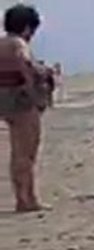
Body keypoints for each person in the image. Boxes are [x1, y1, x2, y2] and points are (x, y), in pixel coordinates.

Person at [0, 3, 48, 212]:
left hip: (2, 94)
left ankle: (22, 197)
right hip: (19, 98)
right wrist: (34, 93)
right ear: (28, 28)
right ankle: (27, 199)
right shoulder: (18, 43)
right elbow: (24, 64)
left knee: (17, 152)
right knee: (26, 151)